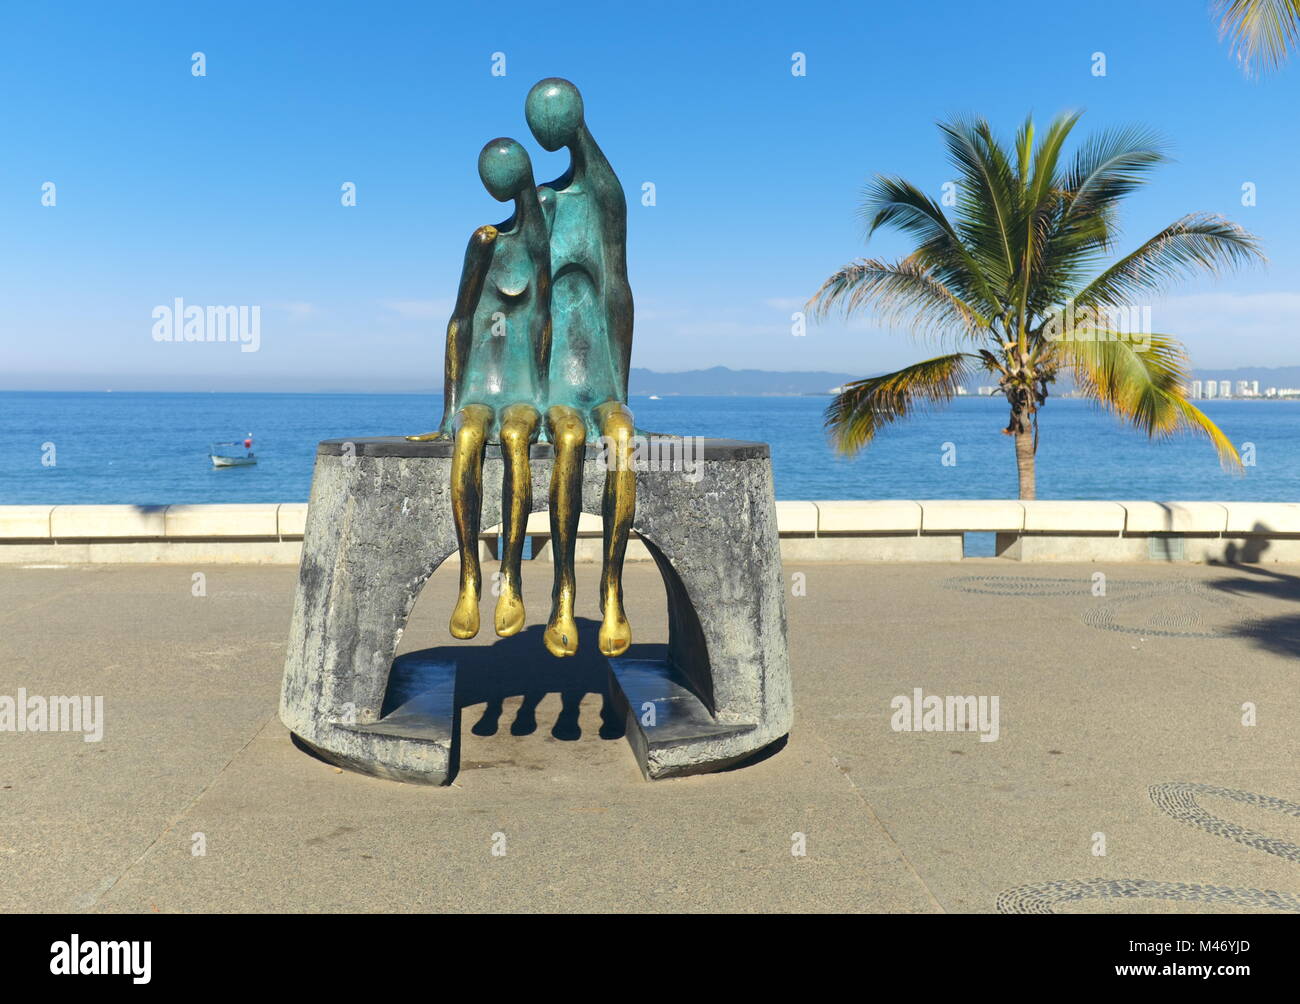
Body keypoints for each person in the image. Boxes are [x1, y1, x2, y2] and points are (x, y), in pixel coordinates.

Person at [408, 138, 552, 641]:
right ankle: (470, 577)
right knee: (467, 440)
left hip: (523, 389)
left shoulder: (540, 248)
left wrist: (545, 398)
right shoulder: (484, 241)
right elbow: (459, 322)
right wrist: (447, 410)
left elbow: (544, 326)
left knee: (516, 440)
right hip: (479, 384)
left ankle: (510, 576)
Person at [525, 78, 637, 660]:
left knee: (620, 436)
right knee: (568, 439)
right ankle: (563, 591)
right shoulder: (541, 207)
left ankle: (612, 586)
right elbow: (530, 310)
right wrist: (534, 392)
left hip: (598, 375)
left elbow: (617, 292)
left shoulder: (604, 201)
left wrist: (620, 387)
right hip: (554, 383)